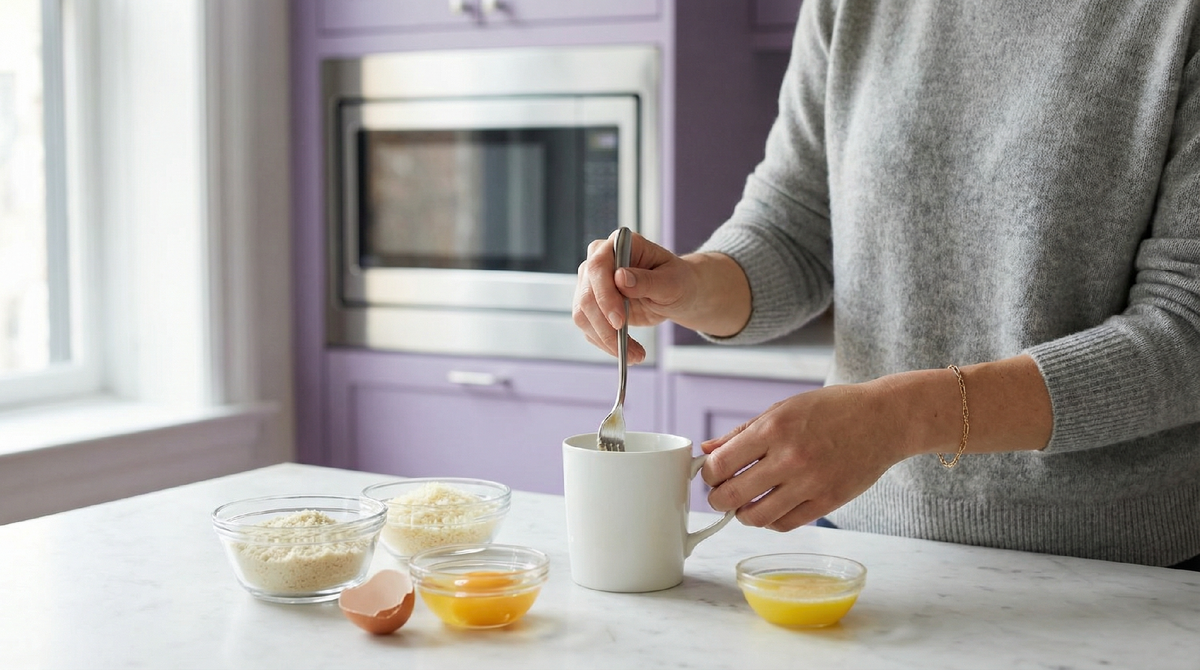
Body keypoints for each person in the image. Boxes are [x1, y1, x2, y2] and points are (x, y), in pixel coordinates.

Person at [572, 1, 1200, 569]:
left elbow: (1186, 326)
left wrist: (899, 419)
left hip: (1122, 570)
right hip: (865, 543)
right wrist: (689, 285)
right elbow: (793, 228)